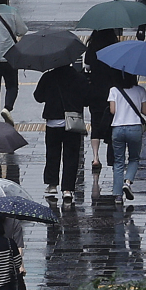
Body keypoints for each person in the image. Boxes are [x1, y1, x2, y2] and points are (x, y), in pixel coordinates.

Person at [34, 63, 90, 205]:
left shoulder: (48, 76)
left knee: (52, 153)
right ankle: (67, 189)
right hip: (72, 123)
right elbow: (86, 100)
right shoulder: (79, 78)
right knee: (71, 156)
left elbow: (38, 97)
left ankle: (52, 184)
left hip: (53, 122)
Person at [84, 28, 122, 175]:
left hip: (95, 90)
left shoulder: (92, 48)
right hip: (112, 91)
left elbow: (87, 67)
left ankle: (95, 157)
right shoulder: (116, 48)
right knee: (113, 122)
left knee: (95, 123)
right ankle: (112, 158)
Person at [109, 71, 146, 202]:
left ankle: (117, 195)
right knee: (134, 158)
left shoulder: (114, 90)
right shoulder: (140, 90)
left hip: (118, 128)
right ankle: (127, 182)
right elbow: (145, 112)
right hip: (135, 128)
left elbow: (112, 110)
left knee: (118, 161)